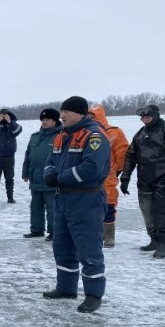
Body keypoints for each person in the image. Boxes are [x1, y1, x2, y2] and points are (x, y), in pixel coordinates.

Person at [42, 96, 110, 313]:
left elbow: (91, 168)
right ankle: (66, 288)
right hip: (63, 200)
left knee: (88, 248)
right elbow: (50, 161)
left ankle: (93, 295)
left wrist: (60, 178)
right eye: (61, 111)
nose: (62, 116)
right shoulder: (61, 136)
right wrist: (49, 174)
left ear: (80, 114)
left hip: (86, 200)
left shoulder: (94, 136)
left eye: (66, 112)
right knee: (62, 247)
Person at [120, 104, 165, 258]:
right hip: (144, 177)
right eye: (142, 117)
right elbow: (130, 156)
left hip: (164, 176)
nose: (144, 120)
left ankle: (163, 244)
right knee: (147, 209)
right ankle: (154, 239)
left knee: (162, 210)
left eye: (147, 117)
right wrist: (125, 178)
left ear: (156, 115)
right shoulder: (140, 134)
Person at [87, 105, 130, 248]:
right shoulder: (84, 132)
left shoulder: (114, 132)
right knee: (91, 206)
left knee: (108, 205)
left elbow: (122, 153)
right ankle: (97, 234)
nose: (90, 119)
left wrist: (117, 170)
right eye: (88, 117)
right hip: (89, 176)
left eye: (92, 116)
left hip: (108, 176)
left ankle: (109, 236)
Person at [21, 108, 62, 241]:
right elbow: (28, 156)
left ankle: (54, 232)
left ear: (55, 121)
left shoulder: (61, 136)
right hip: (35, 177)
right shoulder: (35, 137)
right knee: (36, 206)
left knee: (52, 207)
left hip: (51, 178)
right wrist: (25, 172)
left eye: (48, 120)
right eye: (43, 120)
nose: (44, 122)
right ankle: (36, 230)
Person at [0, 109, 23, 203]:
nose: (4, 117)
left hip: (9, 156)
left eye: (6, 115)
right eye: (2, 115)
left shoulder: (12, 125)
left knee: (9, 178)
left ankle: (10, 197)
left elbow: (18, 130)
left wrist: (10, 122)